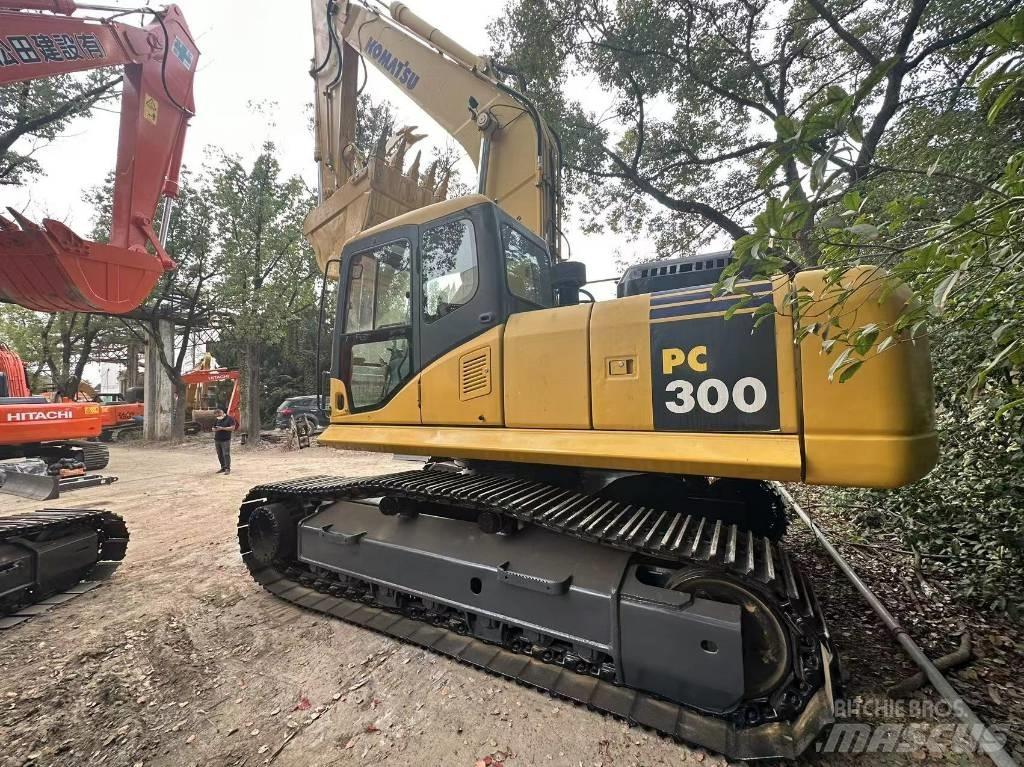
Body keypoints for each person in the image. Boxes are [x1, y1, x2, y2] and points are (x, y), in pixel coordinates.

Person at [213, 407, 236, 475]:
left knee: (226, 454)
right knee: (219, 454)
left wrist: (222, 428)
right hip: (217, 439)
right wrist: (214, 429)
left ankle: (227, 468)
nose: (218, 417)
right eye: (216, 416)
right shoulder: (217, 419)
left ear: (222, 413)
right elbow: (213, 427)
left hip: (225, 439)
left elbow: (232, 428)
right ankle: (223, 467)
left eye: (219, 416)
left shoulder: (230, 419)